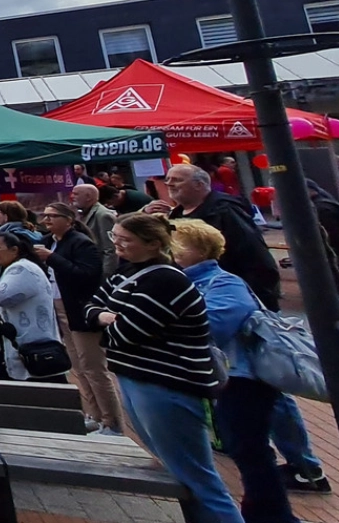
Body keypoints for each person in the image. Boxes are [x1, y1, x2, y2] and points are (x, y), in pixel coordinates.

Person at [83, 213, 244, 523]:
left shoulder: (165, 279)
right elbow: (90, 309)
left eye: (125, 240)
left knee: (197, 477)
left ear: (153, 244)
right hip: (136, 379)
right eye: (115, 237)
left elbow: (125, 333)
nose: (116, 244)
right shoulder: (129, 271)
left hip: (167, 385)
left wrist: (105, 319)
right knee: (179, 474)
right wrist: (105, 317)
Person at [172, 219, 300, 523]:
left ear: (200, 249)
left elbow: (213, 327)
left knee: (250, 449)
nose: (172, 251)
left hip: (243, 378)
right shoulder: (185, 281)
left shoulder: (224, 282)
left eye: (179, 246)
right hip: (225, 377)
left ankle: (272, 516)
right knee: (243, 448)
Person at [34, 202, 118, 433]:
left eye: (53, 216)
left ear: (69, 220)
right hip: (61, 309)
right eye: (45, 215)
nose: (47, 220)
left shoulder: (81, 243)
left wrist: (52, 258)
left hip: (81, 310)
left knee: (94, 367)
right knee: (78, 367)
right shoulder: (49, 241)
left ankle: (112, 422)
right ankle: (95, 415)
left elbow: (88, 275)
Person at [155, 163, 281, 309]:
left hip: (233, 296)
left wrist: (256, 297)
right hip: (197, 293)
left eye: (177, 180)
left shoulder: (225, 210)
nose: (169, 184)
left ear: (199, 184)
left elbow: (254, 255)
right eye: (168, 179)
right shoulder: (175, 215)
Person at [0, 228, 64, 382]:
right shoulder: (15, 267)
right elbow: (12, 295)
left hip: (37, 351)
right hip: (27, 348)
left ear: (14, 250)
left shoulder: (21, 269)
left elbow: (0, 295)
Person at [70, 183, 119, 278]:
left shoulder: (103, 215)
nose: (72, 197)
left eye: (76, 194)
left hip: (100, 272)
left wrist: (106, 275)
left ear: (88, 197)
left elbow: (110, 248)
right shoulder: (82, 213)